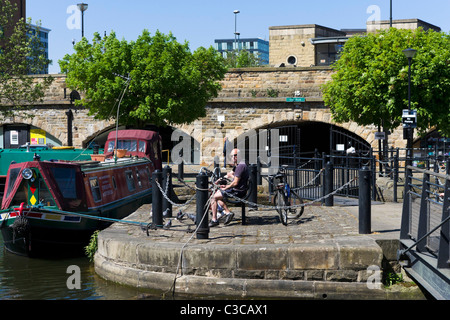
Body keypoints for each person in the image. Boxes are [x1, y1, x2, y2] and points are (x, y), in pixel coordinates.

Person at [209, 148, 249, 227]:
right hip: (237, 189)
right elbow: (228, 174)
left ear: (239, 156)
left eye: (235, 155)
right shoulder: (237, 165)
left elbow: (235, 182)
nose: (233, 158)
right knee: (217, 193)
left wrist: (226, 187)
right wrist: (219, 180)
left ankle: (215, 219)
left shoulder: (241, 166)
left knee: (214, 197)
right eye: (231, 156)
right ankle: (227, 212)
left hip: (238, 191)